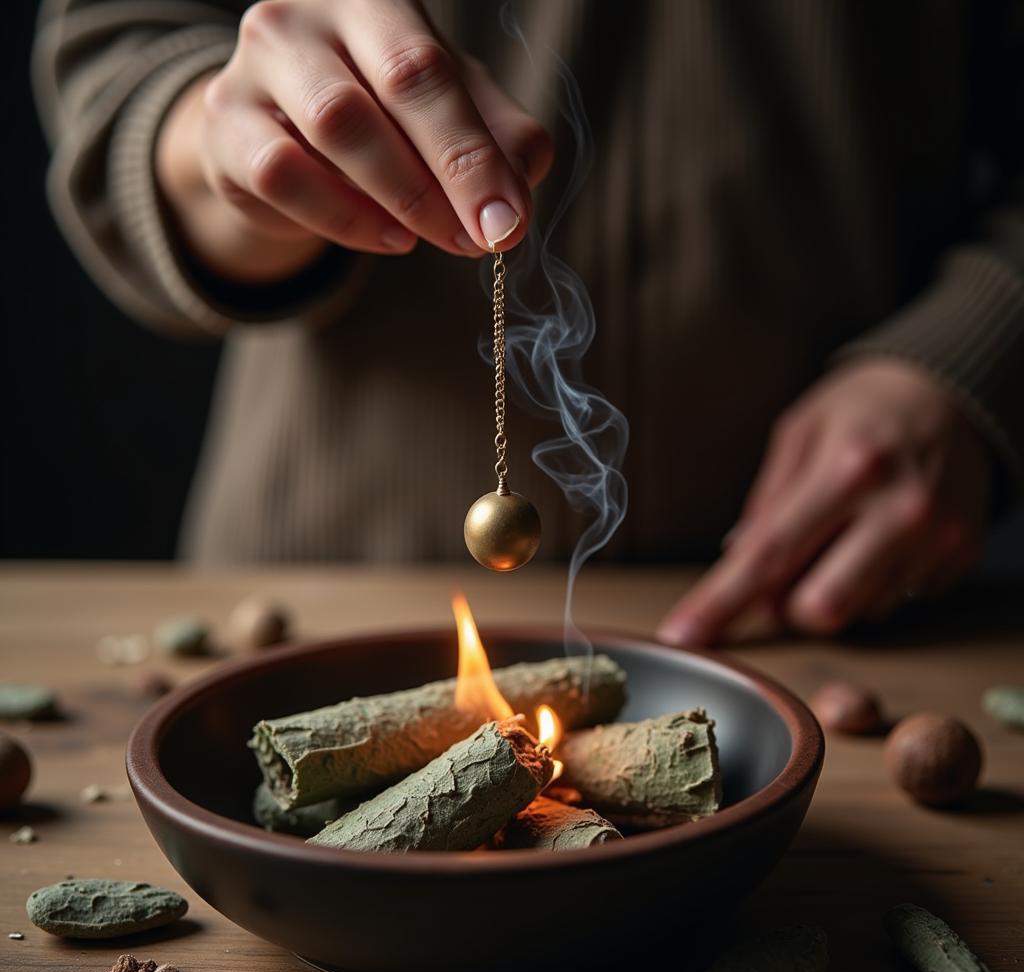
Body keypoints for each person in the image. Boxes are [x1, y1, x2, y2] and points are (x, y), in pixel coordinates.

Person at [33, 0, 1023, 645]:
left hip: (827, 611)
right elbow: (113, 52)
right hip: (316, 605)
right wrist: (225, 146)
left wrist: (978, 343)